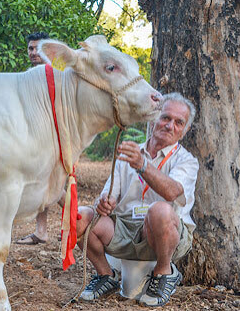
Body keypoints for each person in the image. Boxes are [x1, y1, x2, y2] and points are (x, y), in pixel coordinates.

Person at [76, 93, 198, 307]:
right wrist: (105, 203)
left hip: (164, 233)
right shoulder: (132, 153)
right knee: (78, 216)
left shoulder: (186, 161)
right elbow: (108, 195)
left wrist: (142, 165)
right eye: (166, 118)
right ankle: (106, 275)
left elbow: (173, 193)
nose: (170, 126)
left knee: (160, 210)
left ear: (185, 130)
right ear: (154, 118)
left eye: (179, 123)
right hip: (124, 229)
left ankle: (164, 273)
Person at [15, 31, 65, 245]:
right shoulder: (28, 75)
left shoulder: (56, 75)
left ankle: (79, 219)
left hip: (53, 138)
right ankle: (41, 231)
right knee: (43, 184)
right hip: (33, 137)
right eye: (30, 49)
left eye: (37, 48)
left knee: (54, 184)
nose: (33, 52)